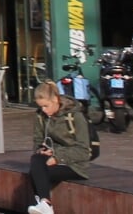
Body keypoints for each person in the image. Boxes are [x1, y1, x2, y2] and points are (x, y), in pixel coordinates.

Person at [28, 81, 92, 214]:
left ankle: (44, 205)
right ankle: (45, 204)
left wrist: (57, 158)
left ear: (56, 99)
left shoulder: (75, 116)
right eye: (41, 107)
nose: (44, 110)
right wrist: (41, 150)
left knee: (37, 172)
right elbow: (38, 140)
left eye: (46, 106)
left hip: (74, 165)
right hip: (49, 160)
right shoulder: (40, 115)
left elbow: (84, 151)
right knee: (36, 161)